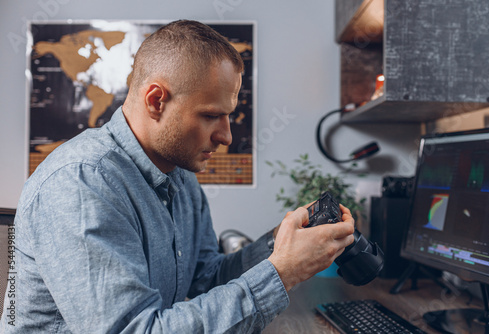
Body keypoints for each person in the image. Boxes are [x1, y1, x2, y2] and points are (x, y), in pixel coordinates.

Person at [0, 20, 355, 333]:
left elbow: (206, 278)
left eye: (229, 116)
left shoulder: (179, 176)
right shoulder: (81, 183)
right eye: (210, 116)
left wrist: (278, 244)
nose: (226, 136)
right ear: (156, 101)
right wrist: (283, 272)